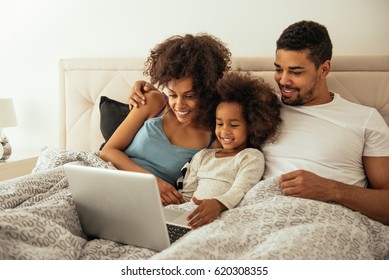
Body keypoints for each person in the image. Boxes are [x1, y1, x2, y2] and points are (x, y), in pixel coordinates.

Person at [128, 21, 389, 225]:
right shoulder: (257, 107)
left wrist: (332, 189)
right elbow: (194, 92)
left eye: (295, 72)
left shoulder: (364, 119)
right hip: (252, 214)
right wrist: (151, 91)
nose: (283, 80)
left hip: (325, 219)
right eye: (278, 68)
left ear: (324, 69)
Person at [100, 33, 231, 206]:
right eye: (173, 94)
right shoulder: (154, 103)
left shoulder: (214, 140)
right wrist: (152, 180)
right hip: (109, 178)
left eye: (190, 96)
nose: (179, 105)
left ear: (208, 91)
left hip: (148, 202)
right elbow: (108, 151)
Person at [180, 72, 282, 229]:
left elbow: (239, 191)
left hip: (222, 216)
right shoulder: (202, 156)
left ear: (253, 125)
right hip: (191, 216)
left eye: (234, 125)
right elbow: (187, 195)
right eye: (219, 124)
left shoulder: (250, 157)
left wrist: (218, 204)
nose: (225, 131)